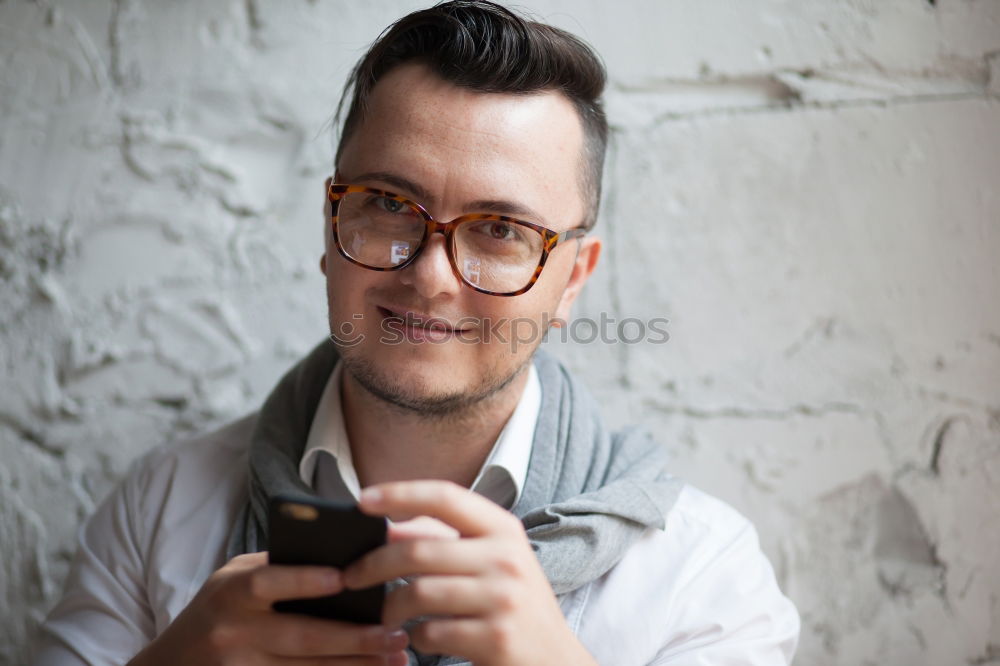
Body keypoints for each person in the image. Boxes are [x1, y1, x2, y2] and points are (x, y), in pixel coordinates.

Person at [34, 2, 800, 664]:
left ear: (572, 279)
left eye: (500, 228)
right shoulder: (160, 512)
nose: (431, 275)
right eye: (389, 204)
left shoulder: (703, 576)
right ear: (331, 227)